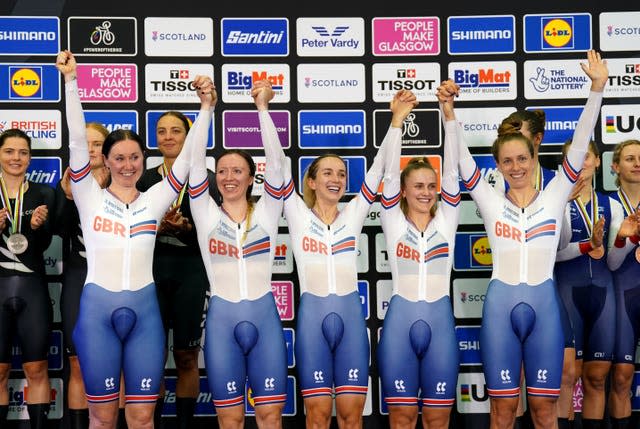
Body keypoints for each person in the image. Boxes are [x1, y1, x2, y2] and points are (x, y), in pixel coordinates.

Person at [437, 49, 608, 429]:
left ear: (535, 157)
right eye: (507, 161)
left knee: (546, 412)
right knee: (502, 411)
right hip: (500, 309)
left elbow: (580, 144)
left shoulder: (555, 194)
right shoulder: (490, 200)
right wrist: (448, 111)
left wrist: (596, 88)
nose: (515, 167)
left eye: (522, 159)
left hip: (544, 308)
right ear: (498, 165)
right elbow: (462, 158)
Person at [56, 49, 214, 429]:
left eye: (135, 158)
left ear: (144, 160)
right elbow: (78, 142)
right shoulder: (89, 195)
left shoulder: (157, 197)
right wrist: (71, 83)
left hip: (145, 316)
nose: (128, 166)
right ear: (105, 161)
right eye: (119, 158)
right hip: (97, 314)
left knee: (143, 417)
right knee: (102, 416)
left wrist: (206, 108)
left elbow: (191, 159)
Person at [281, 89, 414, 429]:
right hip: (313, 320)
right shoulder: (296, 213)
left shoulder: (354, 213)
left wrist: (396, 121)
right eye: (327, 173)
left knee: (352, 417)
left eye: (341, 174)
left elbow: (384, 170)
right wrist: (264, 109)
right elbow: (277, 161)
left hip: (351, 321)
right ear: (311, 181)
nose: (336, 179)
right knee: (317, 417)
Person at [188, 79, 287, 429]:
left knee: (270, 416)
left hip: (264, 319)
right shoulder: (204, 212)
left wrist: (263, 109)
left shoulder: (267, 212)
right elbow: (195, 163)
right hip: (221, 322)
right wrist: (206, 109)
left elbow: (278, 166)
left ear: (251, 177)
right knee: (229, 420)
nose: (229, 177)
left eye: (238, 171)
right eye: (224, 171)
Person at [377, 90, 460, 429]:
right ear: (405, 190)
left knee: (438, 419)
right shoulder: (393, 220)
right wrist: (397, 120)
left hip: (440, 322)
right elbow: (387, 175)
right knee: (402, 417)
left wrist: (448, 113)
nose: (426, 192)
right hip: (400, 324)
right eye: (417, 186)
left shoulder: (448, 218)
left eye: (430, 186)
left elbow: (453, 169)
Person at [136, 108, 219, 429]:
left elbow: (216, 234)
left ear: (189, 137)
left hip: (190, 274)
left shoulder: (206, 181)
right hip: (151, 275)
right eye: (162, 131)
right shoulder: (142, 178)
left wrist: (185, 229)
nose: (168, 137)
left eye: (176, 131)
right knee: (151, 360)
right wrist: (154, 229)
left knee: (186, 358)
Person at [554, 139, 623, 429]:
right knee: (567, 375)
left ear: (597, 161)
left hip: (603, 294)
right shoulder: (554, 203)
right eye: (575, 157)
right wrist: (588, 244)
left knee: (597, 377)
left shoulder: (612, 205)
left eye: (587, 157)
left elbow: (615, 262)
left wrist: (624, 239)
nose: (582, 162)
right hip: (566, 291)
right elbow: (551, 254)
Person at [54, 122, 113, 429]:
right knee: (77, 362)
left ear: (107, 149)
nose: (91, 150)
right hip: (79, 279)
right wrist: (66, 197)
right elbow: (59, 232)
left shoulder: (124, 181)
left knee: (122, 367)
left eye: (97, 144)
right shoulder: (68, 183)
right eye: (85, 144)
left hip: (116, 281)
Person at [0, 128, 56, 429]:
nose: (16, 158)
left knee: (37, 369)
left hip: (33, 291)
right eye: (9, 151)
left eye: (23, 152)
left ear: (30, 158)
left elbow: (45, 245)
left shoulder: (43, 194)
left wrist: (38, 228)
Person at [605, 139, 640, 429]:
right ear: (615, 166)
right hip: (623, 292)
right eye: (630, 158)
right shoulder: (608, 204)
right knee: (621, 376)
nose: (637, 163)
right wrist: (633, 237)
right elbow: (612, 260)